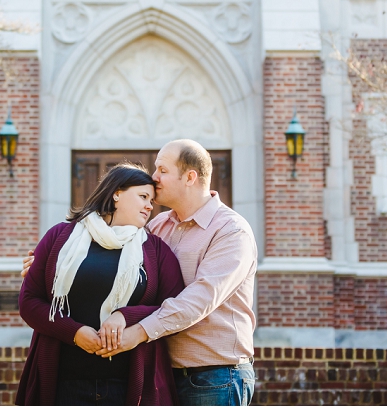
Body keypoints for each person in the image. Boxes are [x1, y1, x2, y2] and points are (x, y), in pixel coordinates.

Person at [24, 140, 259, 406]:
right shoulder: (157, 227)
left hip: (213, 374)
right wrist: (46, 267)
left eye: (162, 170)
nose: (154, 177)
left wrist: (133, 329)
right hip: (162, 371)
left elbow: (198, 299)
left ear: (190, 177)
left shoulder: (230, 230)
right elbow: (118, 269)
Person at [16, 163, 186, 406]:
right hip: (63, 384)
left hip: (128, 386)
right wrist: (74, 332)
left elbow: (174, 309)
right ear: (116, 193)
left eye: (152, 199)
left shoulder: (156, 250)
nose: (150, 205)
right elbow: (29, 302)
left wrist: (124, 316)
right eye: (143, 196)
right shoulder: (60, 238)